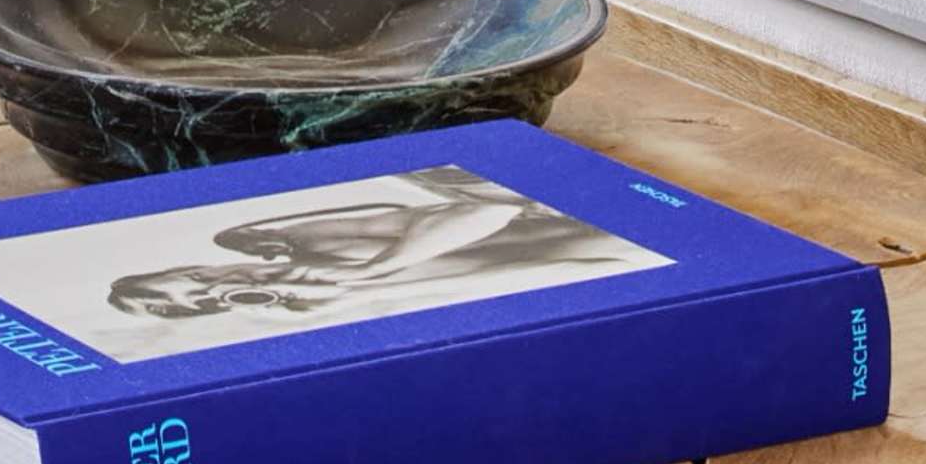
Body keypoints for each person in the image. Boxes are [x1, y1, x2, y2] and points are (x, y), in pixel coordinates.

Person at [100, 164, 624, 327]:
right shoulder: (311, 305)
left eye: (199, 281)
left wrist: (377, 271)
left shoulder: (267, 239)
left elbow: (490, 210)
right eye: (206, 304)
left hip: (565, 202)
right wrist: (361, 299)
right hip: (602, 256)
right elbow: (575, 275)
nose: (223, 289)